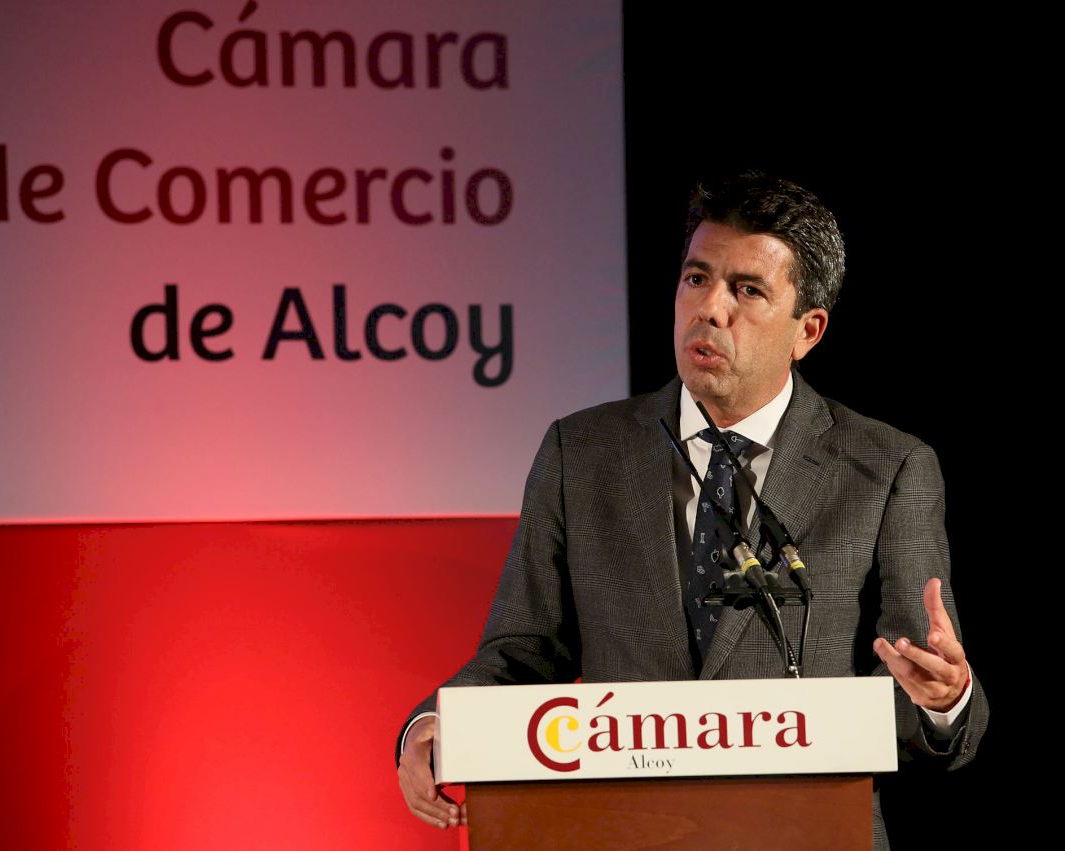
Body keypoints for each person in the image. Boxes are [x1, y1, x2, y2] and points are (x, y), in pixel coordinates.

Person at [394, 172, 987, 848]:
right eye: (697, 278)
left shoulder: (886, 466)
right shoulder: (581, 454)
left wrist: (944, 700)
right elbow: (524, 651)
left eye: (747, 290)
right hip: (624, 834)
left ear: (808, 330)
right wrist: (435, 724)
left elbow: (915, 679)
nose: (710, 308)